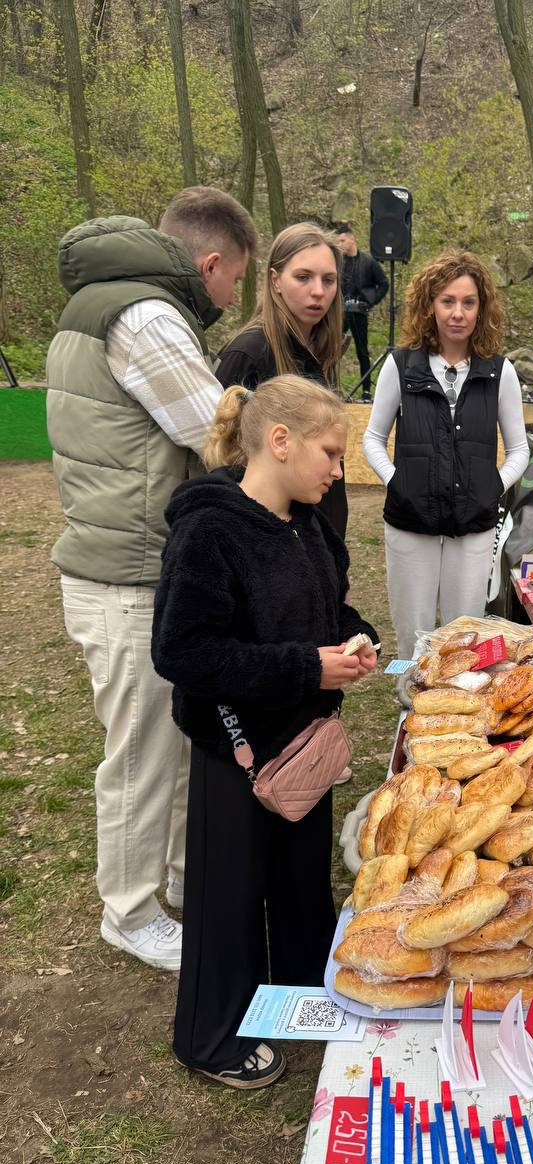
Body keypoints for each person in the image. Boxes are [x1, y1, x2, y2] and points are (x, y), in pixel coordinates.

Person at [45, 187, 257, 971]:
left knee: (167, 741)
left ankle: (179, 875)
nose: (234, 297)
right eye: (237, 281)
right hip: (129, 575)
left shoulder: (101, 303)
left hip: (122, 560)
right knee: (139, 753)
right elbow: (219, 433)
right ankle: (131, 912)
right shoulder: (148, 318)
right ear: (210, 264)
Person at [152, 375, 378, 1088]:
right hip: (236, 751)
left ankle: (301, 992)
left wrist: (356, 638)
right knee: (229, 891)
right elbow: (183, 652)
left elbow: (328, 609)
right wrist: (306, 668)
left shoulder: (306, 520)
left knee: (300, 877)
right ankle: (211, 1036)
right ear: (280, 443)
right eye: (331, 453)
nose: (339, 471)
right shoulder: (210, 529)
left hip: (301, 743)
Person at [362, 249, 530, 659]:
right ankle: (408, 701)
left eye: (468, 302)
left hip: (473, 526)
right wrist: (397, 481)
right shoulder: (400, 366)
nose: (458, 313)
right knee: (412, 636)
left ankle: (456, 709)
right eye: (448, 301)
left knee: (462, 639)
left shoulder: (499, 371)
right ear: (430, 305)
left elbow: (520, 449)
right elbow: (372, 438)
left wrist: (494, 486)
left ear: (481, 308)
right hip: (409, 523)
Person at [215, 223, 349, 538]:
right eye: (303, 277)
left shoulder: (317, 352)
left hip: (319, 543)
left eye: (328, 280)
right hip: (270, 546)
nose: (318, 291)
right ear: (275, 280)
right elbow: (220, 462)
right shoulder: (248, 353)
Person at [335, 222, 388, 401]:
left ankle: (366, 390)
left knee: (362, 351)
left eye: (342, 241)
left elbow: (384, 284)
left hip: (359, 311)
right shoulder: (339, 263)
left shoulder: (368, 261)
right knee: (330, 347)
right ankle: (331, 385)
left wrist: (370, 302)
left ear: (352, 239)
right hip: (340, 312)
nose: (340, 245)